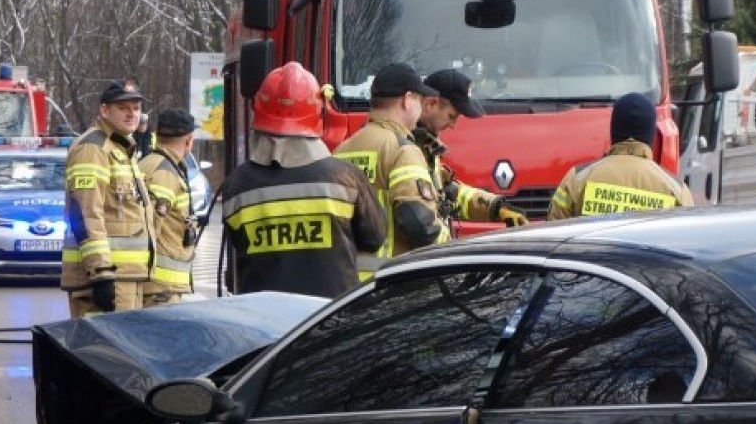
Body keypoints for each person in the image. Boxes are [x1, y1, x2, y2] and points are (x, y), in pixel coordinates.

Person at [220, 62, 386, 297]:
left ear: (258, 114)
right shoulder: (346, 178)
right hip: (329, 318)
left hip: (262, 323)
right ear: (318, 113)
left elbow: (233, 273)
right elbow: (374, 239)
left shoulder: (235, 186)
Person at [332, 63, 441, 279]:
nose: (420, 108)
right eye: (419, 100)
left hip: (347, 283)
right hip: (388, 281)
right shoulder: (403, 150)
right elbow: (419, 224)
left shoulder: (341, 150)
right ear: (407, 99)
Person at [60, 80, 156, 317]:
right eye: (123, 108)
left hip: (126, 276)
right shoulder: (93, 149)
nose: (131, 114)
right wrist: (101, 272)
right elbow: (86, 213)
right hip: (106, 277)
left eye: (136, 108)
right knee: (105, 352)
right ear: (105, 110)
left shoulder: (122, 149)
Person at [546, 93, 695, 219]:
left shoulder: (576, 179)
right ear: (651, 135)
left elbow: (553, 233)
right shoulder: (677, 190)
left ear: (614, 129)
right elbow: (687, 242)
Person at [416, 68, 527, 230]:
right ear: (431, 104)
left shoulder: (425, 146)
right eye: (451, 116)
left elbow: (449, 192)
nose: (453, 126)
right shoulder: (407, 147)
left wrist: (496, 208)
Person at [139, 107, 201, 306]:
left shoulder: (147, 163)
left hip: (154, 285)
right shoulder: (165, 172)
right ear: (189, 140)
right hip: (160, 288)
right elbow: (150, 229)